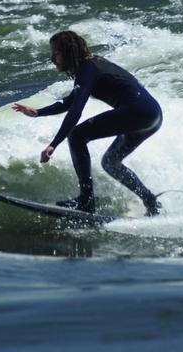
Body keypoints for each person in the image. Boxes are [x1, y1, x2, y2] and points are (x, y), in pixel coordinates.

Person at [13, 30, 163, 215]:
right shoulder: (92, 66)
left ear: (68, 52)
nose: (53, 59)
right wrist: (38, 112)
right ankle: (151, 202)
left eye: (56, 53)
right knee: (110, 162)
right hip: (153, 116)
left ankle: (86, 201)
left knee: (76, 135)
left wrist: (54, 144)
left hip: (137, 112)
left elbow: (76, 110)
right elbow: (70, 102)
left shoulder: (88, 68)